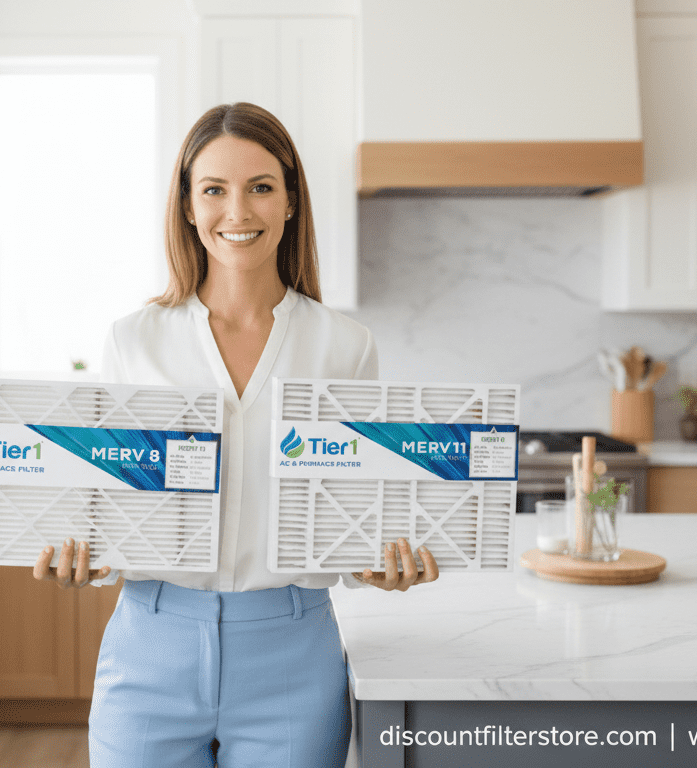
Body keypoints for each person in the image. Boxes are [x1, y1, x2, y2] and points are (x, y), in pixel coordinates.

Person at [32, 102, 439, 768]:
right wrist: (78, 553)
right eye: (214, 190)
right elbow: (100, 504)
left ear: (289, 203)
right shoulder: (132, 341)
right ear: (188, 208)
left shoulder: (346, 346)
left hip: (293, 656)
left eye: (260, 187)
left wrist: (381, 567)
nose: (237, 212)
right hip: (150, 648)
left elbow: (360, 518)